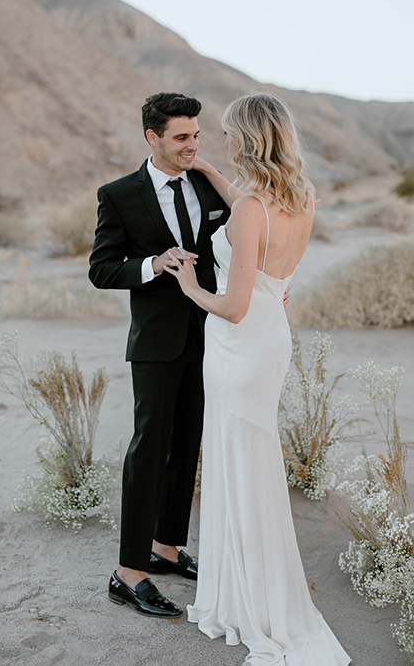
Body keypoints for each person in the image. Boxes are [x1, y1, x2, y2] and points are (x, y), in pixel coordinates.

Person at [165, 93, 351, 664]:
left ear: (249, 137)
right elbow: (254, 220)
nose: (220, 141)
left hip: (237, 346)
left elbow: (235, 305)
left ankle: (245, 598)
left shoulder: (250, 211)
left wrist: (189, 287)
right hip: (273, 342)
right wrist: (209, 171)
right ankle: (252, 584)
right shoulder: (301, 198)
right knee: (251, 462)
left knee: (235, 463)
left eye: (227, 134)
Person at [88, 92, 229, 617]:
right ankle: (128, 572)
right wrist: (153, 262)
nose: (193, 144)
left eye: (197, 134)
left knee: (188, 440)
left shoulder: (207, 183)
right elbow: (102, 270)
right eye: (182, 137)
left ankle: (167, 547)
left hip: (211, 333)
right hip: (155, 340)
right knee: (149, 446)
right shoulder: (119, 194)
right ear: (152, 138)